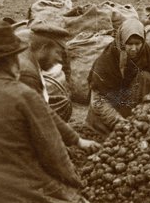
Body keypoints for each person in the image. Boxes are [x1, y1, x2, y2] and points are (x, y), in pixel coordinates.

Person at [0, 20, 93, 203]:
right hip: (17, 197)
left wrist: (76, 139)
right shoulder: (22, 94)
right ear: (10, 59)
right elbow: (54, 152)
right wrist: (75, 185)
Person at [16, 23, 100, 151]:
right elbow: (41, 118)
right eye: (58, 53)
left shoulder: (27, 60)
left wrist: (76, 140)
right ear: (44, 48)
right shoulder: (27, 74)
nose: (60, 59)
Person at [86, 18, 150, 135]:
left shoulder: (148, 53)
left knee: (146, 77)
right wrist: (119, 122)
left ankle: (139, 120)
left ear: (143, 41)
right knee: (106, 133)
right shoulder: (107, 59)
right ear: (121, 41)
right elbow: (98, 101)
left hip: (131, 101)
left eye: (137, 44)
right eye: (129, 44)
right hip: (110, 103)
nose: (134, 48)